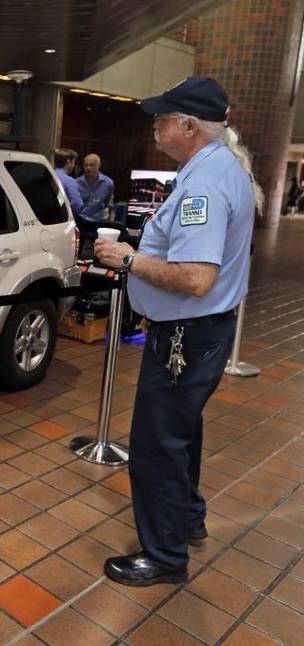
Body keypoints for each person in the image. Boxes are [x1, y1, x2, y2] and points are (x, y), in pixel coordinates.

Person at [94, 77, 259, 586]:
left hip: (187, 336)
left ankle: (164, 556)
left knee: (157, 444)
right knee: (181, 433)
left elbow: (195, 277)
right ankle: (186, 519)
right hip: (197, 329)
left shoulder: (203, 184)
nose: (155, 126)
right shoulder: (220, 169)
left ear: (188, 126)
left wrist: (128, 260)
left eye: (162, 119)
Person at [76, 153, 114, 222]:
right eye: (86, 165)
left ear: (99, 165)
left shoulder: (108, 183)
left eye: (92, 165)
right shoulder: (77, 183)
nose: (88, 168)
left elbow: (107, 203)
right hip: (80, 220)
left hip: (98, 221)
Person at [53, 148, 84, 215]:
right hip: (61, 217)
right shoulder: (69, 181)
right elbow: (77, 204)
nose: (74, 165)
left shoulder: (48, 175)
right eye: (74, 162)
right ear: (68, 162)